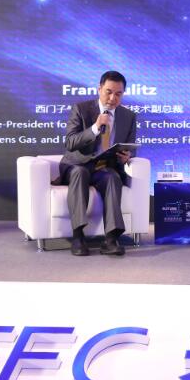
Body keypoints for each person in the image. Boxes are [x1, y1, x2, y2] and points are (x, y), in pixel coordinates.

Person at [54, 70, 136, 257]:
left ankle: (111, 239)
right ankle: (78, 236)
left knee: (113, 177)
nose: (113, 98)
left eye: (118, 94)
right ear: (99, 89)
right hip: (76, 166)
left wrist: (127, 156)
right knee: (80, 173)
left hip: (102, 168)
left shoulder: (128, 116)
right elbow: (70, 143)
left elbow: (130, 146)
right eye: (109, 92)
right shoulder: (81, 109)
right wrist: (95, 128)